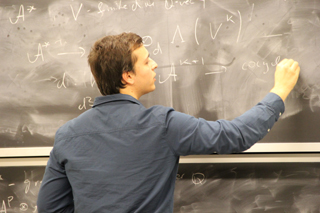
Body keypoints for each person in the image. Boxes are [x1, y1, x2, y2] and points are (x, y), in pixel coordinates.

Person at [37, 32, 300, 213]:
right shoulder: (161, 124)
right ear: (128, 75)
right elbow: (236, 135)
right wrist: (279, 91)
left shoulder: (67, 136)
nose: (155, 65)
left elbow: (51, 208)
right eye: (147, 60)